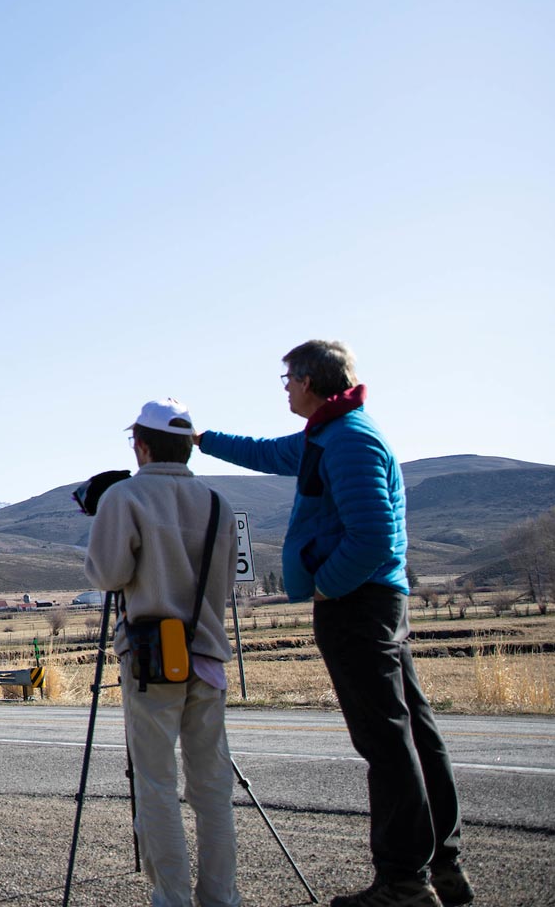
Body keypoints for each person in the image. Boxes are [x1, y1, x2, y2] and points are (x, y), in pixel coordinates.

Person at [196, 341, 467, 907]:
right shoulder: (329, 434)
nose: (285, 388)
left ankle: (404, 882)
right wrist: (204, 440)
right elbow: (271, 454)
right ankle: (443, 868)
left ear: (311, 378)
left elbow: (374, 535)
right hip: (370, 603)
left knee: (387, 741)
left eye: (288, 378)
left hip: (358, 606)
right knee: (411, 730)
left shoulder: (349, 441)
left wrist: (327, 585)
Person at [85, 398, 240, 907]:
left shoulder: (126, 498)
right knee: (212, 785)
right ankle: (221, 897)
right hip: (209, 656)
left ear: (142, 446)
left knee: (156, 783)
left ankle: (170, 897)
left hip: (153, 660)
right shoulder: (218, 503)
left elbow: (108, 576)